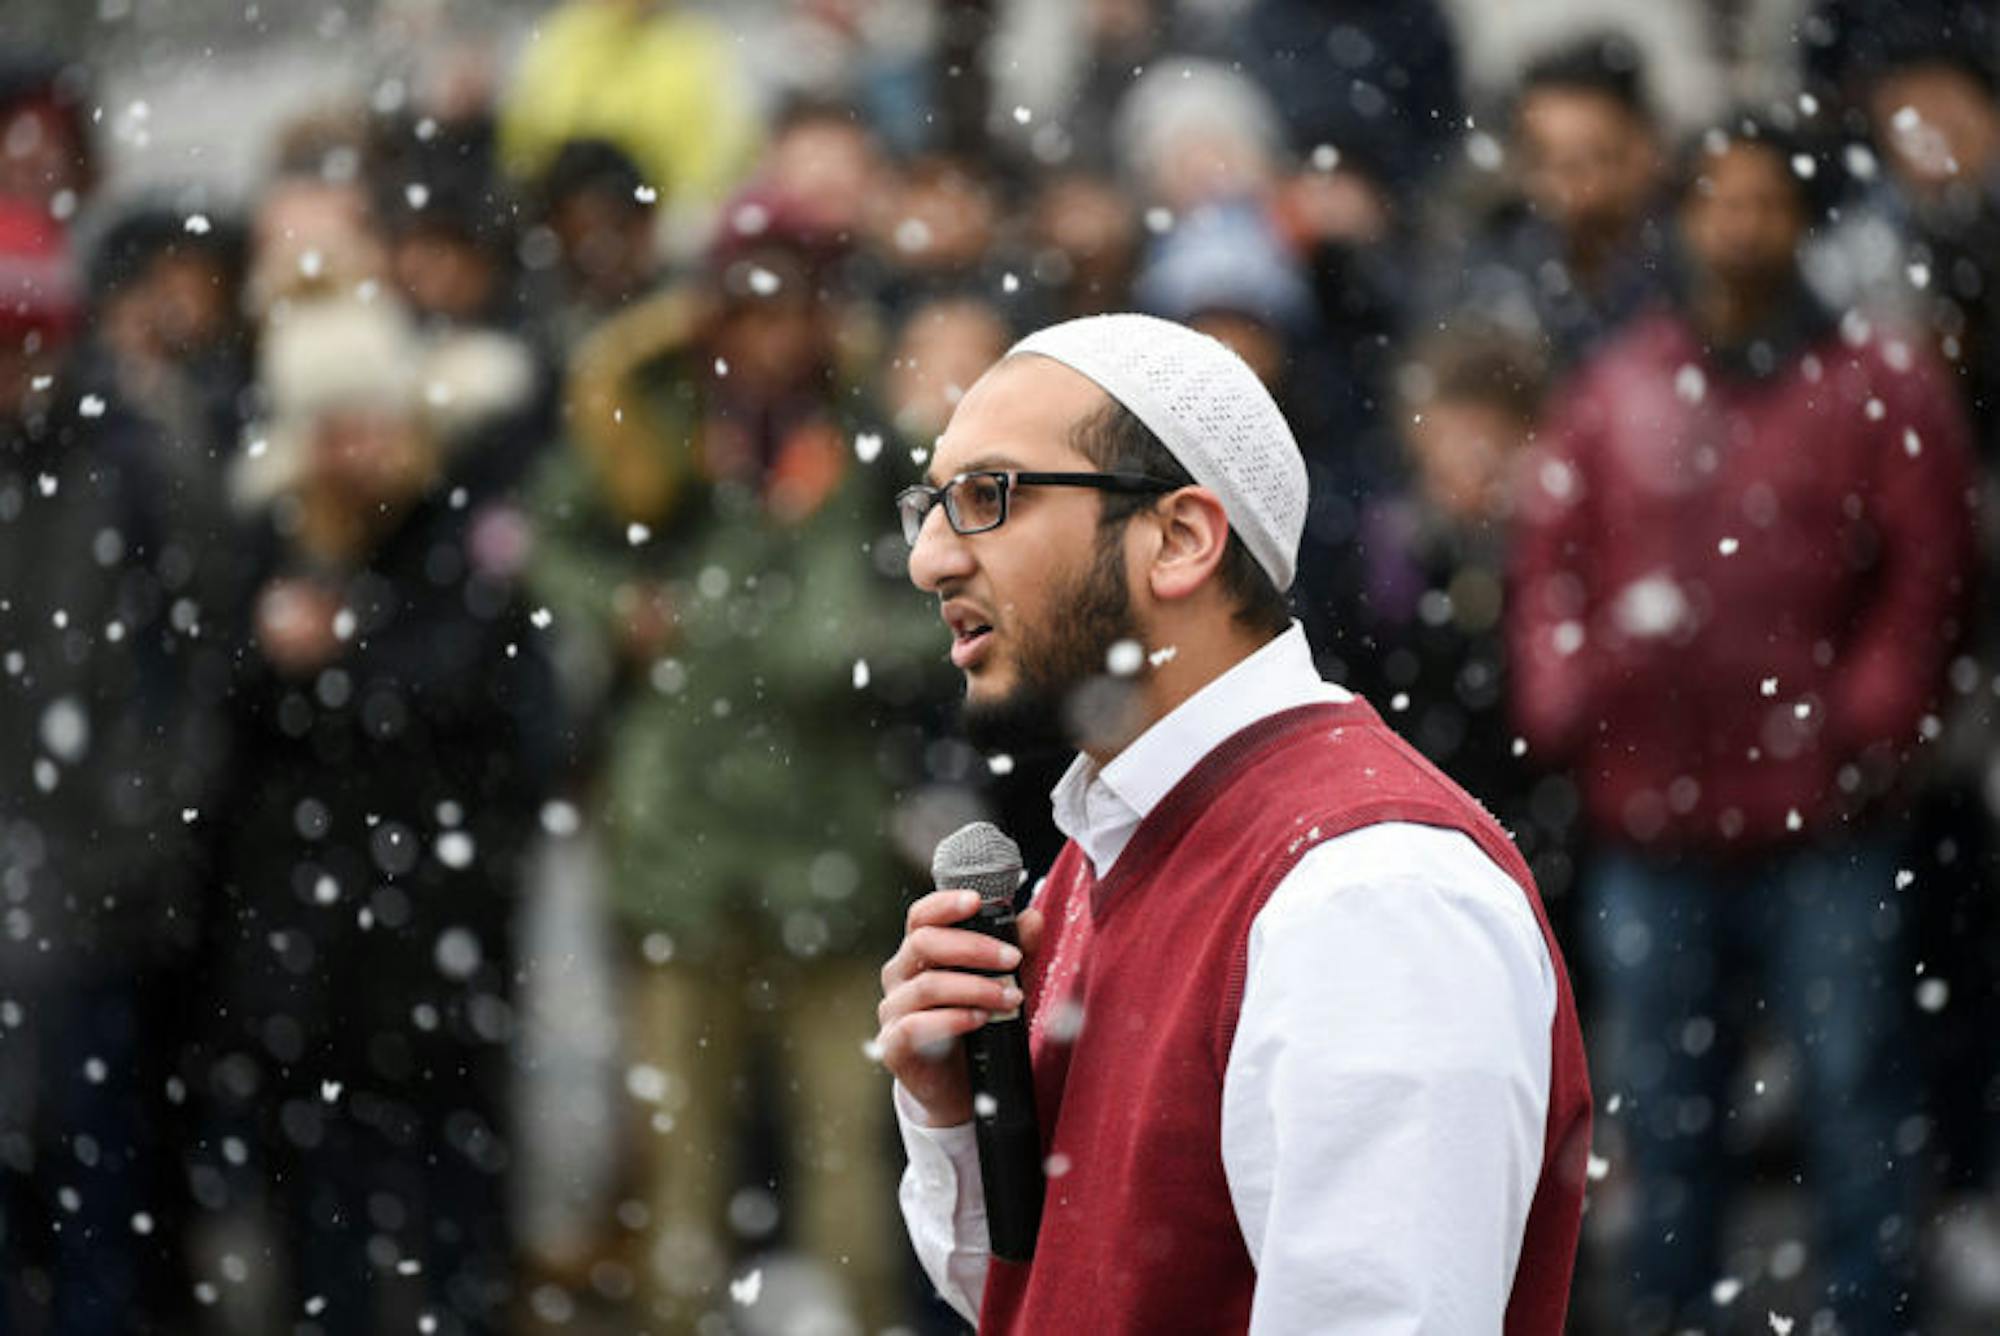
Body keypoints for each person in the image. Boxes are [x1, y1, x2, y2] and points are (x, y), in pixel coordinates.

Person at [877, 312, 1592, 1331]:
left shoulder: (1371, 894)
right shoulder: (1104, 846)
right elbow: (1063, 1293)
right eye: (930, 505)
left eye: (987, 496)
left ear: (1179, 539)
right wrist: (958, 1118)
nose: (930, 559)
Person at [1507, 118, 1976, 1332]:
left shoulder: (1874, 387)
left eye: (1763, 203)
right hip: (1650, 812)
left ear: (1799, 220)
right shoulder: (1615, 387)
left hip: (1827, 814)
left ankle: (1870, 1309)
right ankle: (1673, 1311)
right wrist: (1568, 696)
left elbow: (1928, 573)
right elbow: (1549, 560)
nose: (1738, 229)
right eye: (1717, 202)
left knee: (1851, 1087)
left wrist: (1862, 720)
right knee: (1663, 1103)